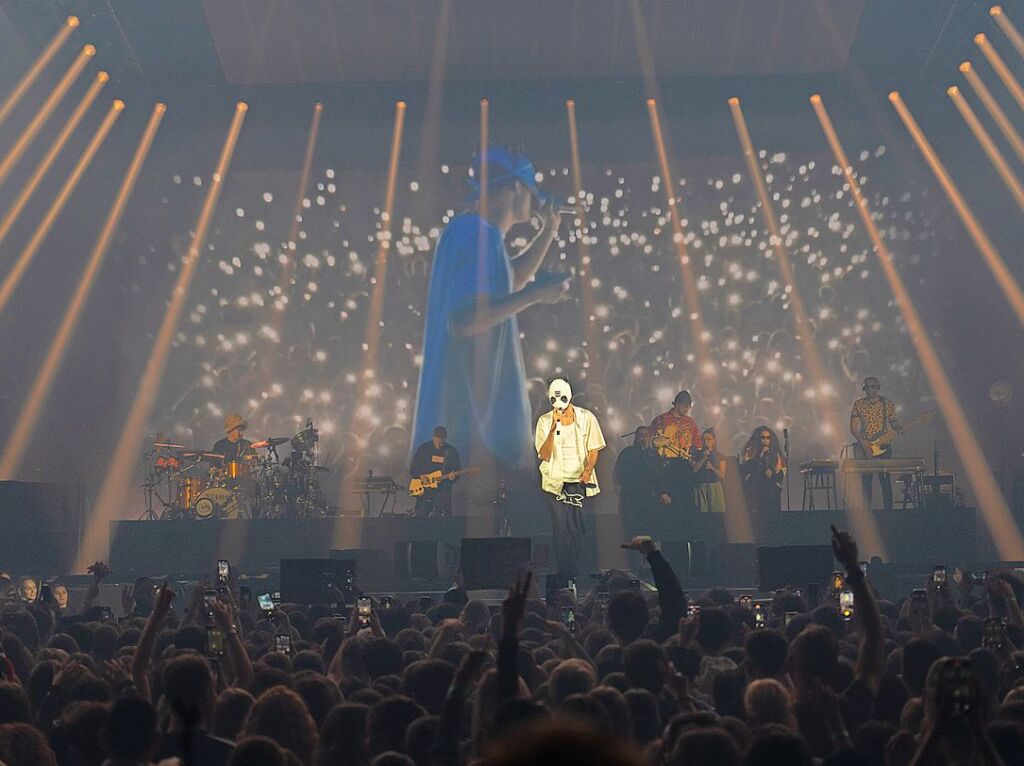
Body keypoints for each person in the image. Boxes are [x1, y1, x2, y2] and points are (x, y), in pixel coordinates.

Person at [410, 145, 570, 471]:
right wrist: (536, 295)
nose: (534, 197)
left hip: (465, 438)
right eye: (530, 188)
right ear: (515, 187)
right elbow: (464, 318)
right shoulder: (479, 236)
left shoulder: (471, 232)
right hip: (474, 441)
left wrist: (548, 232)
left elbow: (508, 282)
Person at [535, 378, 606, 583]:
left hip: (579, 481)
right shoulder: (544, 421)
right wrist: (553, 427)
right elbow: (544, 454)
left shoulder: (586, 417)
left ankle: (576, 571)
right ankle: (564, 572)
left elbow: (594, 448)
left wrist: (588, 470)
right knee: (560, 528)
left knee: (577, 527)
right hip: (555, 482)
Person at [850, 376, 902, 512]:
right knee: (866, 481)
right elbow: (853, 428)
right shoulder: (859, 404)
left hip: (883, 446)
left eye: (873, 387)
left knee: (885, 480)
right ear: (864, 389)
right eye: (867, 387)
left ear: (878, 388)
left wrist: (900, 429)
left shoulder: (887, 404)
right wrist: (863, 442)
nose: (870, 390)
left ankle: (888, 512)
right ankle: (867, 514)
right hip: (864, 448)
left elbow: (894, 423)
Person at [649, 391, 703, 514]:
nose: (687, 409)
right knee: (669, 507)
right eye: (685, 406)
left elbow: (697, 443)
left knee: (686, 505)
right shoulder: (661, 420)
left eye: (689, 406)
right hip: (667, 466)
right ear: (677, 404)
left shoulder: (690, 423)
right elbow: (653, 443)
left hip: (685, 466)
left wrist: (693, 457)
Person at [408, 426, 462, 518]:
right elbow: (413, 468)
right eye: (437, 442)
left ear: (445, 438)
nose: (439, 445)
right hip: (425, 491)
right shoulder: (423, 448)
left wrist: (454, 477)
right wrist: (421, 476)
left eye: (441, 442)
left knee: (444, 520)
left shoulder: (451, 451)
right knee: (420, 518)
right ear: (433, 437)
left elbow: (457, 470)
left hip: (443, 491)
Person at [740, 426, 786, 512]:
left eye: (768, 437)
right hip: (755, 490)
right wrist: (760, 455)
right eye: (763, 437)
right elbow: (747, 468)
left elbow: (781, 473)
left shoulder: (776, 454)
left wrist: (772, 474)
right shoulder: (750, 451)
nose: (766, 440)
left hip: (771, 492)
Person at [693, 428, 726, 514]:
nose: (705, 442)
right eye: (703, 440)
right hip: (701, 487)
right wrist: (703, 457)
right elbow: (694, 470)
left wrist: (713, 468)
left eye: (708, 439)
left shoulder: (720, 456)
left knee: (716, 514)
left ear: (714, 440)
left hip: (714, 487)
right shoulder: (697, 454)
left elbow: (722, 475)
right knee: (702, 514)